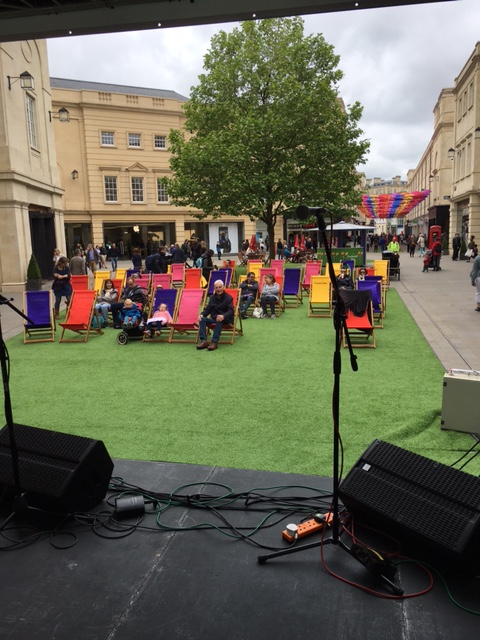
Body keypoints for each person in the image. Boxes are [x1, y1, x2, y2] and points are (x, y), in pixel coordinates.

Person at [196, 280, 234, 350]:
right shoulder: (212, 298)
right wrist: (202, 314)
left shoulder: (229, 298)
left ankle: (214, 342)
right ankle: (204, 341)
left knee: (219, 319)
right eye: (216, 287)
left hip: (225, 319)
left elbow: (231, 311)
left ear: (223, 287)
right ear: (214, 288)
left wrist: (223, 316)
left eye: (220, 287)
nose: (218, 289)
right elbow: (208, 309)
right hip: (214, 318)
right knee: (202, 319)